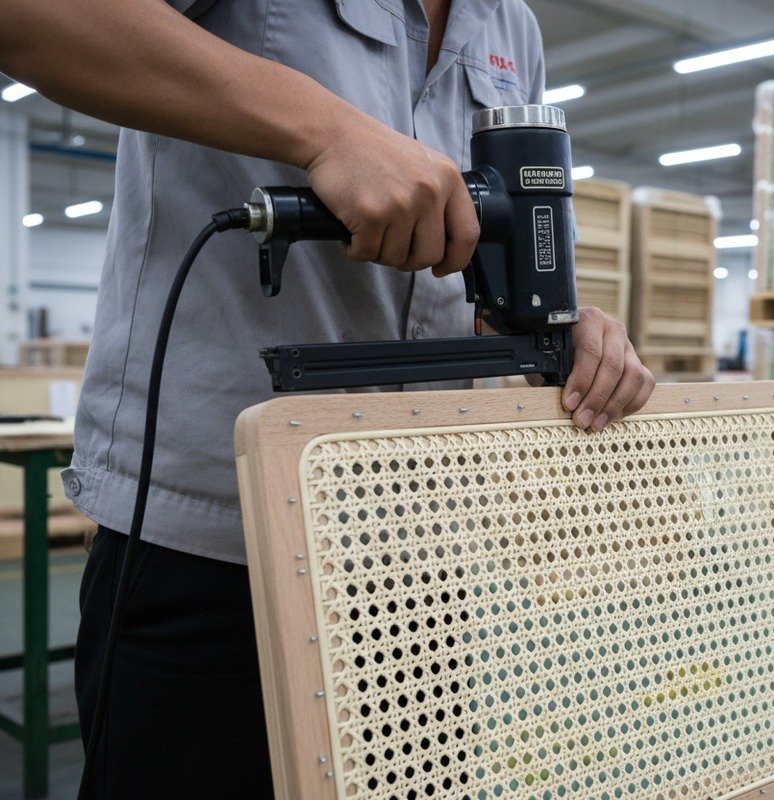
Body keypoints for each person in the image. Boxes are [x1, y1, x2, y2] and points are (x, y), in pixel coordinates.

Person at [0, 1, 654, 796]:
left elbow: (507, 250)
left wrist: (565, 323)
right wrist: (326, 132)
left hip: (415, 560)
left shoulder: (508, 21)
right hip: (216, 543)